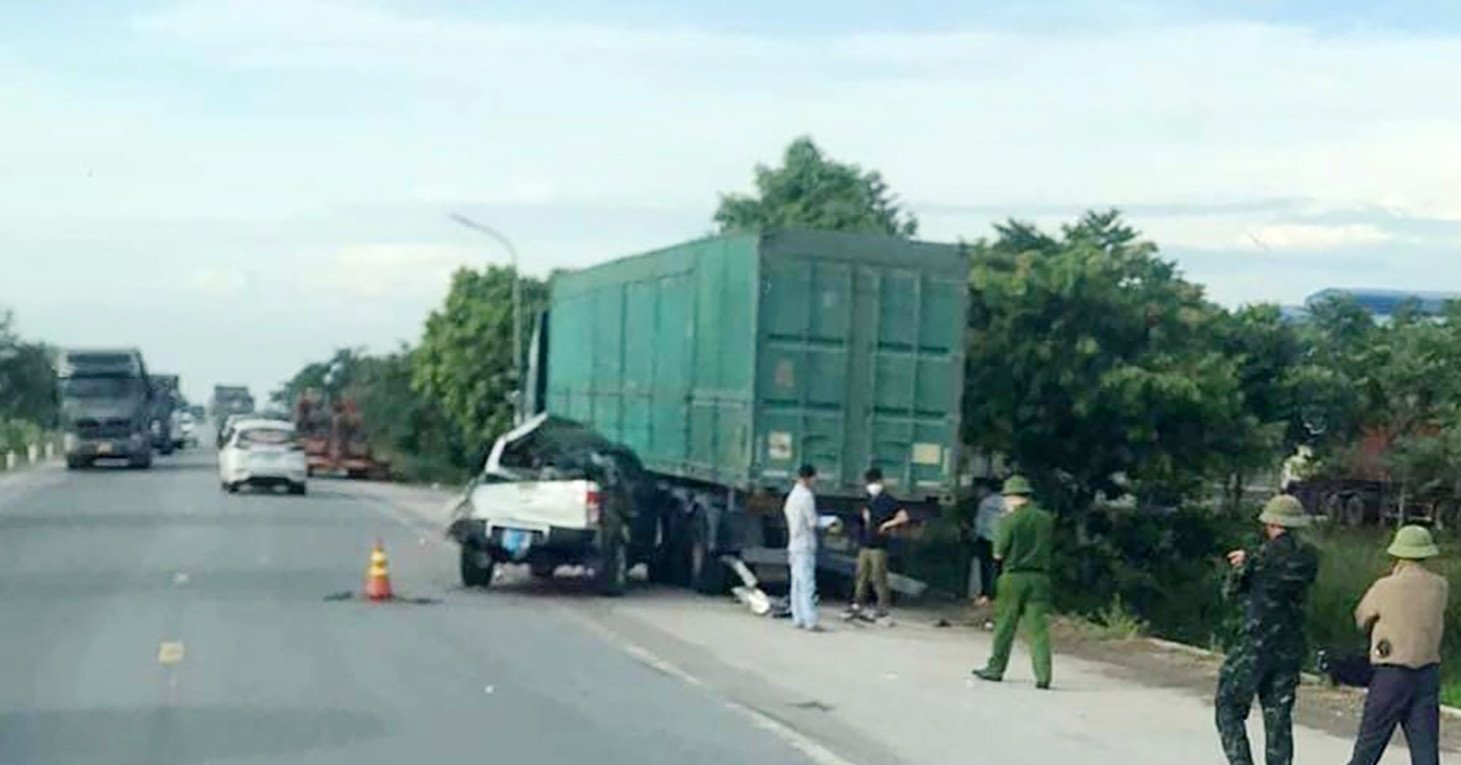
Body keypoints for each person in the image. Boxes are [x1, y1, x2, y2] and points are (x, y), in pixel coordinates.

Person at [1214, 494, 1319, 765]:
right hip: (1290, 648)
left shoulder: (1258, 556)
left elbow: (1230, 592)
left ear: (1270, 522)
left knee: (1229, 707)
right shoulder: (1308, 558)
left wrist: (1240, 565)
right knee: (1278, 720)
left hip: (1254, 647)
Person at [1346, 524, 1448, 765]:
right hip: (1428, 673)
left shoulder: (1385, 586)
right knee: (1425, 751)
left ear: (1397, 554)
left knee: (1369, 746)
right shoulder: (1440, 586)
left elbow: (1362, 617)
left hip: (1391, 674)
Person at [972, 475, 1054, 688]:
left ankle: (996, 668)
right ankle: (1043, 675)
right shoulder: (1045, 519)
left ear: (1011, 497)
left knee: (1005, 626)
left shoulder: (1009, 521)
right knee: (1038, 629)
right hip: (1040, 578)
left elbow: (998, 553)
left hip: (1013, 577)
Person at [844, 467, 909, 621]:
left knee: (878, 577)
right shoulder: (868, 500)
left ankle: (883, 607)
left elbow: (904, 517)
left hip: (879, 545)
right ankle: (857, 603)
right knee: (861, 575)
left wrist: (888, 525)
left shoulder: (888, 500)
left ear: (881, 482)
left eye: (873, 482)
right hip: (865, 544)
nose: (871, 485)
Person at [783, 464, 822, 631]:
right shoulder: (806, 497)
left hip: (794, 542)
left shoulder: (792, 496)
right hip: (805, 544)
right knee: (807, 584)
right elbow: (813, 522)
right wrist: (827, 522)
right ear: (809, 478)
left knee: (796, 583)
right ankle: (810, 620)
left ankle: (797, 617)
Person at [968, 481, 1005, 606]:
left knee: (985, 567)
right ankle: (1000, 594)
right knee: (1001, 568)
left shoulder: (985, 502)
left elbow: (979, 521)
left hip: (986, 539)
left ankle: (985, 594)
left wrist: (976, 535)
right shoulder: (1007, 504)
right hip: (1002, 540)